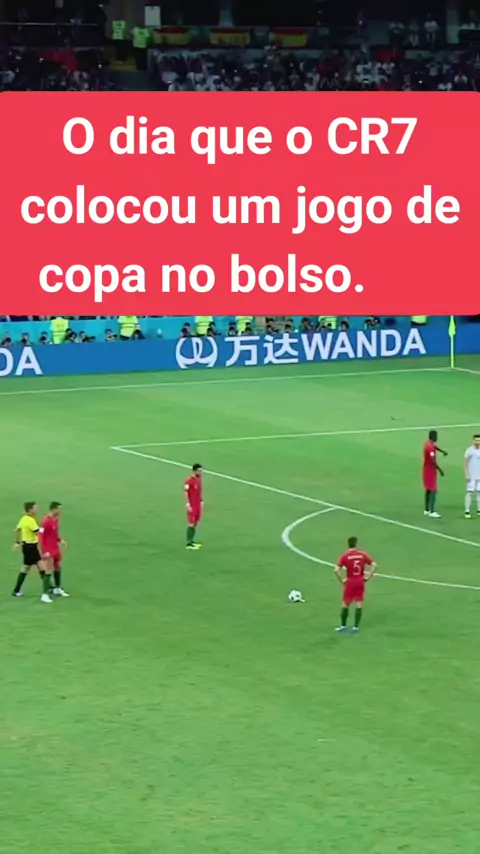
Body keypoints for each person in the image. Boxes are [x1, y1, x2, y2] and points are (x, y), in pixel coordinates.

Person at [12, 502, 53, 603]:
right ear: (30, 509)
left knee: (32, 567)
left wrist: (17, 542)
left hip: (28, 547)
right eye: (35, 508)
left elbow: (17, 530)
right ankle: (47, 588)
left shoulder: (24, 518)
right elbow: (37, 532)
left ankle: (17, 590)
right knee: (35, 567)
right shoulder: (30, 520)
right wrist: (44, 526)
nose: (37, 509)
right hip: (31, 547)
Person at [334, 537, 377, 632]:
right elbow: (374, 565)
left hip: (350, 581)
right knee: (358, 603)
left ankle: (343, 626)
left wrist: (342, 580)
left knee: (345, 603)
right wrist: (368, 576)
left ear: (348, 544)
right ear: (356, 544)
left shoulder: (345, 556)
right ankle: (356, 627)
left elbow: (336, 570)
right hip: (360, 581)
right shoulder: (362, 554)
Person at [39, 502, 69, 597]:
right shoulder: (45, 521)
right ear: (53, 509)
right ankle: (44, 595)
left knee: (58, 567)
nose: (60, 511)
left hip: (55, 548)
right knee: (48, 570)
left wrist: (60, 540)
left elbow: (54, 533)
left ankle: (57, 588)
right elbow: (40, 537)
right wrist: (44, 551)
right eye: (59, 509)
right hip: (49, 550)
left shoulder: (55, 520)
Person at [423, 429, 448, 518]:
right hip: (430, 470)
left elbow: (435, 447)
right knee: (433, 490)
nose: (437, 438)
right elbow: (432, 460)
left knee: (428, 489)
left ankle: (426, 510)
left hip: (426, 469)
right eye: (436, 436)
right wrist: (440, 470)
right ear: (433, 437)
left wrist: (442, 451)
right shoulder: (430, 448)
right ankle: (432, 511)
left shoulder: (428, 444)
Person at [185, 463, 203, 550]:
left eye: (201, 471)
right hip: (192, 505)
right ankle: (188, 544)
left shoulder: (198, 480)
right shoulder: (189, 481)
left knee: (195, 522)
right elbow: (185, 492)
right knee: (191, 523)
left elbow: (198, 492)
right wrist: (187, 504)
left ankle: (192, 541)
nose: (201, 472)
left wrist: (201, 501)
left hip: (197, 505)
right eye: (199, 471)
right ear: (194, 471)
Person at [464, 433, 480, 519]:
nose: (478, 442)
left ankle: (479, 510)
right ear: (473, 440)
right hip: (472, 476)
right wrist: (467, 474)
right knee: (469, 493)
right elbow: (465, 463)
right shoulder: (469, 450)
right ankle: (467, 511)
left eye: (479, 440)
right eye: (476, 440)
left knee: (479, 493)